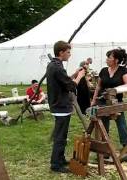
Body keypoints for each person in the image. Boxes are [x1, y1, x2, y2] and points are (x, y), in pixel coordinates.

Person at [46, 40, 86, 173]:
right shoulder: (57, 67)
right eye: (68, 52)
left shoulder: (54, 65)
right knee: (60, 137)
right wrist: (79, 76)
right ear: (61, 52)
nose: (70, 55)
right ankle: (56, 164)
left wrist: (74, 74)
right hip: (61, 106)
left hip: (59, 105)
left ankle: (60, 159)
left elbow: (63, 81)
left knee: (61, 135)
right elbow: (70, 86)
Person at [91, 48, 127, 146]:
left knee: (121, 123)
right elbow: (98, 86)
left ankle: (126, 145)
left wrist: (115, 89)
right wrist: (93, 100)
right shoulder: (104, 70)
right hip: (102, 101)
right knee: (103, 124)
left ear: (116, 60)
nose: (106, 59)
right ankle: (105, 147)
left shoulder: (123, 70)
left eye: (109, 57)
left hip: (116, 101)